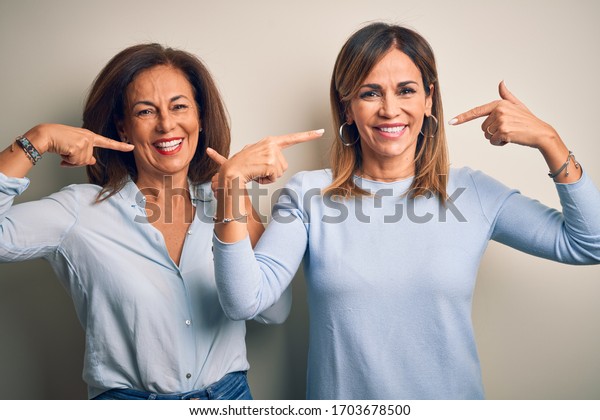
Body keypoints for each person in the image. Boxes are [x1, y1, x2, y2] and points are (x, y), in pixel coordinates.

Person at [206, 22, 600, 399]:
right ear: (347, 108)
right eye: (370, 93)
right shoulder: (309, 194)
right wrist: (230, 188)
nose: (390, 109)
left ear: (429, 99)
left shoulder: (472, 192)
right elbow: (245, 301)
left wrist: (550, 141)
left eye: (406, 90)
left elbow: (589, 244)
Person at [0, 43, 293, 400]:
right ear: (123, 128)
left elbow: (274, 310)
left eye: (179, 106)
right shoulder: (78, 211)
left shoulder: (227, 201)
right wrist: (37, 140)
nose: (167, 124)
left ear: (199, 117)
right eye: (145, 111)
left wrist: (234, 190)